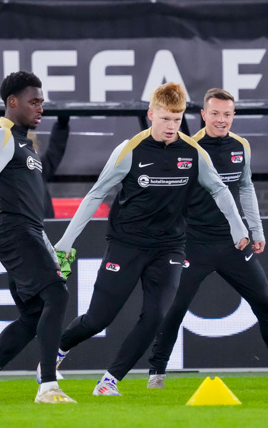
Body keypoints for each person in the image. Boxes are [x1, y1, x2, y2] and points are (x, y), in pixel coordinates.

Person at [49, 82, 249, 396]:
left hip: (169, 246)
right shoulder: (129, 150)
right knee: (98, 320)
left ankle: (110, 380)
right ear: (151, 114)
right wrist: (65, 242)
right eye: (165, 118)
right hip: (126, 244)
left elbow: (220, 190)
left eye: (177, 119)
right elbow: (95, 195)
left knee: (156, 316)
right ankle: (58, 350)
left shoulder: (193, 152)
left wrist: (239, 228)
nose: (172, 126)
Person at [147, 88, 268, 388]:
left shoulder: (241, 146)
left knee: (266, 305)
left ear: (233, 115)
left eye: (227, 114)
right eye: (215, 114)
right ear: (203, 115)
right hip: (193, 244)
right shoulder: (188, 147)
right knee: (173, 309)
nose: (221, 120)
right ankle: (156, 373)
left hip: (234, 244)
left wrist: (256, 230)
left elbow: (246, 187)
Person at [0, 71, 75, 404]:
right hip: (14, 232)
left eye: (42, 102)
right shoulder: (2, 136)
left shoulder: (25, 142)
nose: (40, 108)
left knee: (32, 317)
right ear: (12, 102)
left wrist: (46, 244)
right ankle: (48, 387)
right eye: (33, 102)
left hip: (28, 232)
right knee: (57, 295)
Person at [35, 116, 70, 219]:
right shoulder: (3, 169)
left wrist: (62, 125)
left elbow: (55, 151)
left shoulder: (38, 166)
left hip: (44, 223)